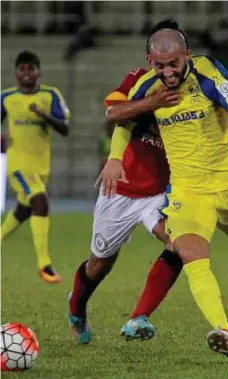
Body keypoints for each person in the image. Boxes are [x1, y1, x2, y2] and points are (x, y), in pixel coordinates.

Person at [101, 19, 228, 361]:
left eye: (174, 64)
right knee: (192, 254)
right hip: (188, 191)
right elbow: (124, 121)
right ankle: (225, 332)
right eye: (160, 65)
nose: (167, 73)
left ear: (187, 56)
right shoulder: (148, 86)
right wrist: (114, 158)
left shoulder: (209, 73)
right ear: (150, 61)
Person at [68, 67, 183, 344]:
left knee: (180, 243)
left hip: (160, 192)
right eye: (160, 58)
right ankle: (76, 308)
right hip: (120, 189)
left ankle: (139, 317)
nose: (168, 65)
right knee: (99, 265)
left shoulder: (194, 87)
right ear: (151, 57)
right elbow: (114, 114)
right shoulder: (139, 79)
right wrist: (153, 102)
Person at [1, 51, 70, 283]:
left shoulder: (50, 95)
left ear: (39, 71)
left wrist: (44, 115)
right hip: (18, 166)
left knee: (24, 209)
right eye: (22, 69)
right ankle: (44, 264)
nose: (27, 74)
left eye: (31, 69)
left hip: (41, 166)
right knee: (40, 201)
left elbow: (64, 128)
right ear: (16, 73)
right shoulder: (6, 98)